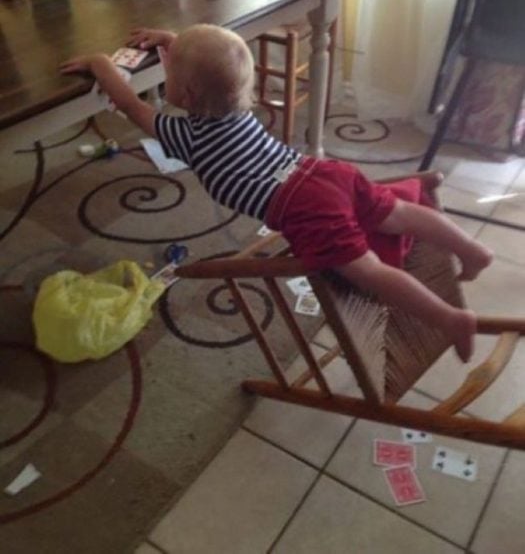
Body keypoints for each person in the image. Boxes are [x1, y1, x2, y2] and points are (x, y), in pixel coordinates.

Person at [60, 24, 492, 363]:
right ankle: (471, 251)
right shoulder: (237, 105)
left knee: (369, 271)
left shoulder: (184, 134)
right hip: (321, 172)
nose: (166, 68)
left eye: (169, 68)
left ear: (186, 93)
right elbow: (212, 67)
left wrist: (102, 64)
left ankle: (450, 319)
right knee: (398, 213)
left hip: (303, 208)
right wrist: (171, 41)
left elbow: (133, 106)